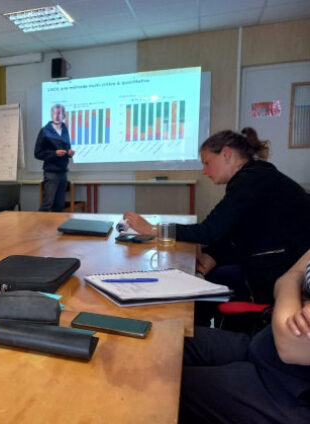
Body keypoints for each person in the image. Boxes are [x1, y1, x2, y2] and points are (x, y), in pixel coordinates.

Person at [124, 127, 310, 304]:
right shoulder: (255, 174)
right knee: (205, 274)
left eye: (207, 163)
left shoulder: (250, 181)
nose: (204, 171)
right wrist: (214, 256)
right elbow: (235, 231)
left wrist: (154, 229)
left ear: (226, 154)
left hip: (284, 272)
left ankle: (206, 326)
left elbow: (208, 231)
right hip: (282, 261)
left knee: (200, 287)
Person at [178, 249, 310, 423]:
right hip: (264, 347)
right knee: (166, 341)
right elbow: (287, 277)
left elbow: (291, 346)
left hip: (290, 390)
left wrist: (292, 285)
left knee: (164, 384)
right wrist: (291, 283)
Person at [34, 104, 74, 212]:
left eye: (59, 113)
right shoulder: (44, 131)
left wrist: (69, 153)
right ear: (51, 115)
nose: (56, 116)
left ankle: (57, 224)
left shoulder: (65, 130)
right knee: (47, 204)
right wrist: (54, 153)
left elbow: (66, 149)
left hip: (63, 171)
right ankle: (40, 223)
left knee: (59, 205)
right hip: (51, 172)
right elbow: (37, 153)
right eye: (54, 113)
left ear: (64, 115)